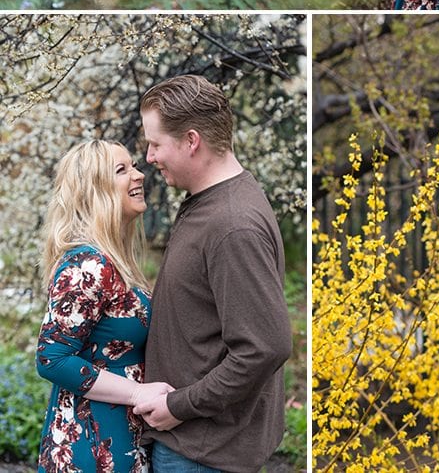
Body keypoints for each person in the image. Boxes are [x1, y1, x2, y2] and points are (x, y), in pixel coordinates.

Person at [133, 74, 292, 473]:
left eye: (155, 144)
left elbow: (264, 347)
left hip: (201, 453)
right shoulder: (209, 203)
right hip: (194, 446)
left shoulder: (232, 224)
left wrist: (178, 406)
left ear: (191, 141)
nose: (149, 158)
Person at [36, 139, 173, 473]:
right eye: (121, 170)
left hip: (117, 439)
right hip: (90, 446)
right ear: (94, 190)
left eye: (134, 166)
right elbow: (51, 359)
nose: (139, 175)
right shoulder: (87, 264)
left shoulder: (111, 261)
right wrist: (138, 393)